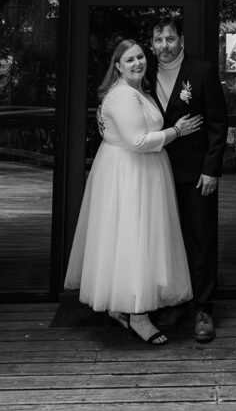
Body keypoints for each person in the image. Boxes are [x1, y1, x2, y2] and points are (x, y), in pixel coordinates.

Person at [64, 38, 203, 345]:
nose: (138, 62)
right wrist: (177, 131)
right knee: (133, 239)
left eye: (140, 56)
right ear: (117, 66)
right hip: (130, 176)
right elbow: (138, 142)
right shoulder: (122, 96)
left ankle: (120, 307)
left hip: (141, 173)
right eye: (129, 59)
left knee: (135, 240)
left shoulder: (137, 91)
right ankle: (137, 316)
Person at [149, 17, 228, 342]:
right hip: (157, 173)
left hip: (197, 174)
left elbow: (218, 123)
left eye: (169, 39)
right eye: (158, 40)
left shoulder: (202, 71)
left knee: (201, 239)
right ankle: (175, 303)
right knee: (166, 241)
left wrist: (211, 169)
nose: (164, 46)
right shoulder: (143, 76)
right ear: (151, 44)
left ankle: (203, 309)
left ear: (181, 40)